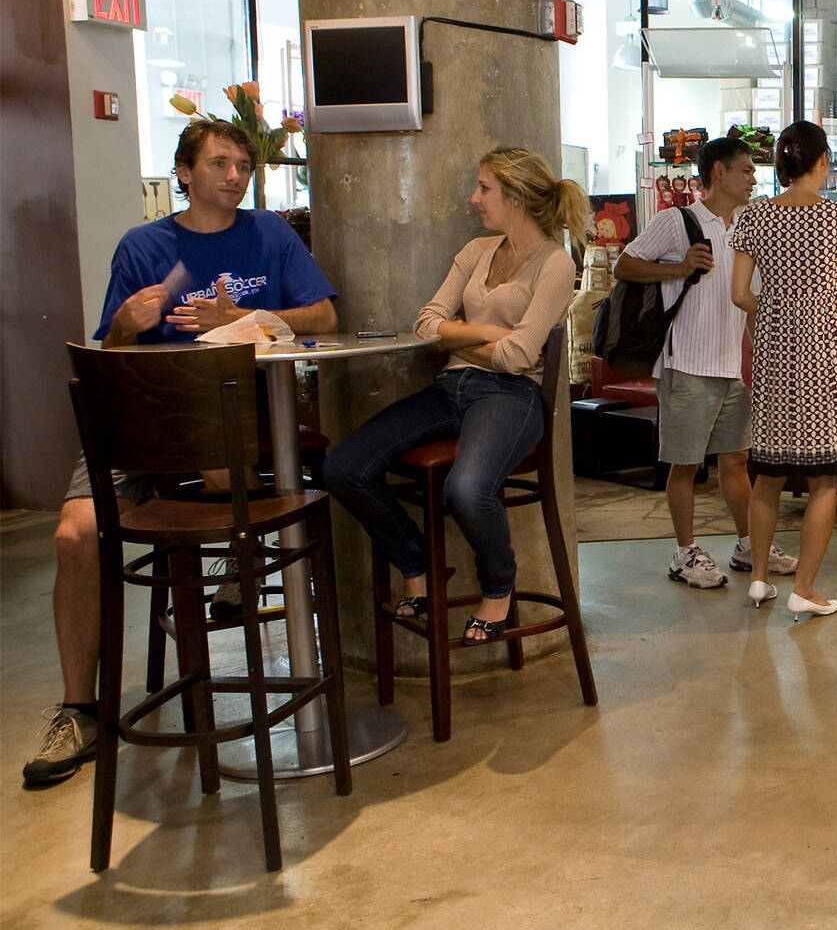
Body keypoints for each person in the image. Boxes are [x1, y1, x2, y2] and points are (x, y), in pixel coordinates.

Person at [29, 119, 339, 788]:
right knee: (75, 535)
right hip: (140, 425)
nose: (235, 175)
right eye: (220, 163)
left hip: (234, 421)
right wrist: (121, 326)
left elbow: (324, 317)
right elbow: (106, 360)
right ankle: (79, 709)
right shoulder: (143, 247)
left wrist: (250, 321)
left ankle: (239, 564)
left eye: (243, 164)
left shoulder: (271, 235)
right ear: (186, 172)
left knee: (225, 472)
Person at [322, 147, 582, 643]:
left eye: (484, 187)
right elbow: (425, 325)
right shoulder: (475, 251)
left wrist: (458, 333)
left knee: (465, 489)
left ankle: (499, 586)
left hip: (512, 396)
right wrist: (485, 332)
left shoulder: (555, 264)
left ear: (517, 196)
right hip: (450, 386)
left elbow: (518, 358)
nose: (474, 197)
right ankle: (418, 564)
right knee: (343, 468)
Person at [729, 121, 837, 617]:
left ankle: (760, 579)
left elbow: (740, 294)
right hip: (825, 350)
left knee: (769, 475)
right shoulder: (835, 216)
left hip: (776, 354)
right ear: (822, 162)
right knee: (825, 478)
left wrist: (779, 311)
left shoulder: (754, 216)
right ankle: (805, 588)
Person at [614, 137, 798, 589]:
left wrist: (769, 357)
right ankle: (684, 553)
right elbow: (624, 265)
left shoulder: (750, 228)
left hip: (730, 367)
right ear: (719, 172)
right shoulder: (678, 221)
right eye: (745, 170)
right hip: (687, 363)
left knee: (736, 460)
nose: (755, 178)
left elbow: (748, 301)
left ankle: (747, 544)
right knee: (686, 464)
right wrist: (676, 269)